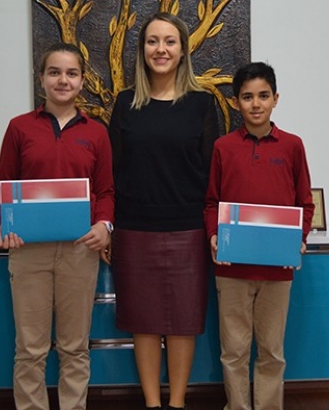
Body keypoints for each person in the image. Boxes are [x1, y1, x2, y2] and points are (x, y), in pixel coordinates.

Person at [0, 43, 115, 410]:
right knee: (30, 348)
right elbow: (3, 184)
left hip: (80, 250)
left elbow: (107, 190)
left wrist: (105, 225)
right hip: (28, 250)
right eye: (55, 72)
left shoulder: (97, 133)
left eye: (71, 73)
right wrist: (4, 223)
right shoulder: (19, 128)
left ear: (82, 81)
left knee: (74, 346)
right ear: (41, 78)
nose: (63, 80)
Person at [107, 12, 219, 410]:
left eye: (170, 41)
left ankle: (177, 404)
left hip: (188, 229)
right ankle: (153, 404)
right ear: (142, 50)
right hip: (134, 229)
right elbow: (113, 171)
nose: (161, 49)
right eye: (152, 41)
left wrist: (213, 229)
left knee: (183, 321)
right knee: (144, 322)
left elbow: (213, 175)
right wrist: (109, 227)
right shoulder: (125, 104)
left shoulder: (203, 105)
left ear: (183, 50)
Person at [203, 62, 315, 410]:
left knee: (271, 351)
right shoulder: (223, 147)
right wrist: (213, 235)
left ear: (275, 99)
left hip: (277, 270)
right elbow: (212, 202)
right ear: (236, 102)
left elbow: (305, 203)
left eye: (263, 96)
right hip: (232, 268)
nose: (256, 104)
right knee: (234, 351)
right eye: (247, 97)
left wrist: (300, 237)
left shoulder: (292, 146)